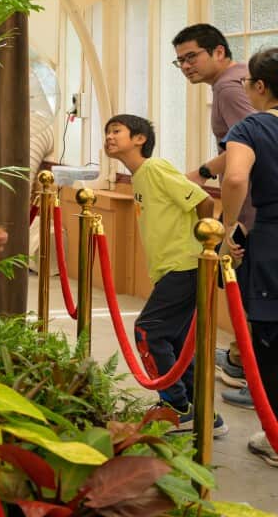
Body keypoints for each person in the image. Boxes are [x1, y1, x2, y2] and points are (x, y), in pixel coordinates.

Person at [103, 114, 225, 436]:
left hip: (184, 265)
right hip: (173, 268)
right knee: (177, 339)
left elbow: (201, 200)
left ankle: (176, 406)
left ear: (140, 138)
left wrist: (205, 248)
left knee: (149, 330)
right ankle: (200, 413)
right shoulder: (140, 177)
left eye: (116, 131)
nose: (109, 137)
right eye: (107, 133)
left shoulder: (154, 169)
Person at [173, 23, 256, 405]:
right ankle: (241, 361)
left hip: (253, 207)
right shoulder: (236, 82)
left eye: (192, 56)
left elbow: (249, 147)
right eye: (180, 61)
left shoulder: (227, 88)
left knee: (249, 289)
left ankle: (251, 378)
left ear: (219, 52)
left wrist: (231, 222)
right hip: (250, 204)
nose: (186, 65)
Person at [219, 47, 278, 466]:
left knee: (271, 339)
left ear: (260, 86)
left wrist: (227, 229)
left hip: (272, 239)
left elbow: (236, 175)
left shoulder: (251, 127)